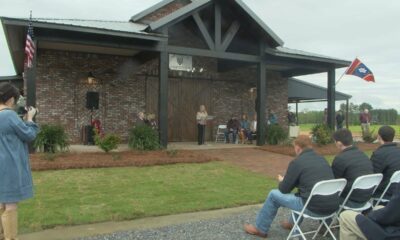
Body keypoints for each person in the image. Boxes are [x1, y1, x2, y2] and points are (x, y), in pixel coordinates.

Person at [244, 135, 339, 238]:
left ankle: (260, 229)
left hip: (312, 208)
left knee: (273, 195)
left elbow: (284, 189)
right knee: (304, 195)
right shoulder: (322, 159)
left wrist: (283, 181)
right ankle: (293, 223)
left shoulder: (297, 162)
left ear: (297, 147)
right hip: (332, 208)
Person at [0, 82, 39, 240]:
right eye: (15, 100)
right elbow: (29, 135)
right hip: (9, 165)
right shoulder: (8, 115)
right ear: (10, 99)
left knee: (1, 202)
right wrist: (29, 119)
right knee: (10, 205)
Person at [332, 129, 373, 207]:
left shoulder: (340, 158)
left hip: (350, 200)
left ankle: (328, 219)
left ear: (339, 143)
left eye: (334, 141)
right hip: (366, 198)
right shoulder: (363, 155)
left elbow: (335, 182)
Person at [370, 126, 400, 199]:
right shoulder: (398, 151)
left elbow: (372, 176)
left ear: (379, 137)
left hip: (386, 193)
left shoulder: (379, 154)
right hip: (396, 190)